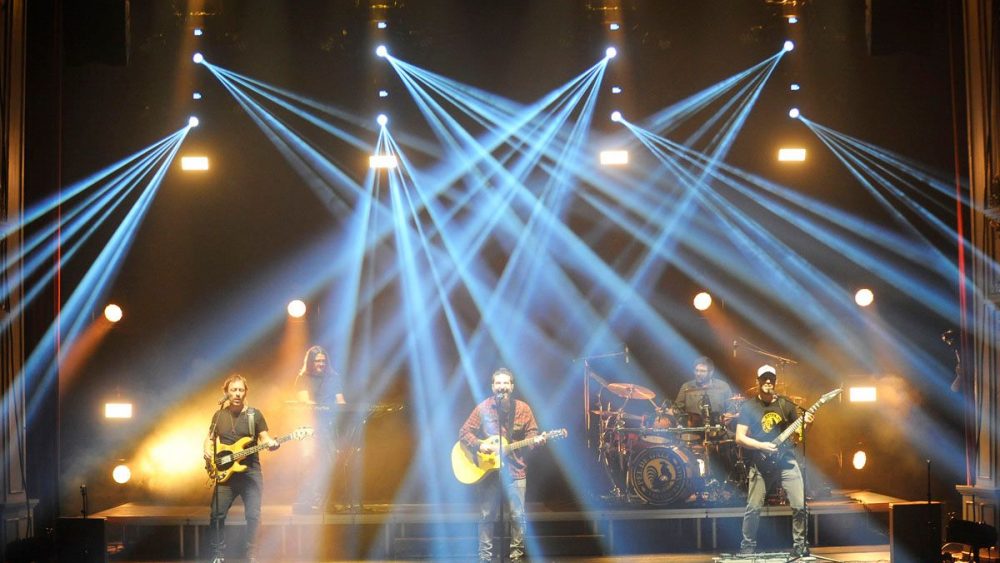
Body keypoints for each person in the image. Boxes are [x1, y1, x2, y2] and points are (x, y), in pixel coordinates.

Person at [459, 368, 545, 563]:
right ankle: (485, 557)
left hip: (516, 470)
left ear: (512, 387)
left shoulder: (523, 409)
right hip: (488, 472)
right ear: (492, 386)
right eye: (498, 383)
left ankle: (516, 557)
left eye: (506, 383)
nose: (502, 387)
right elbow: (464, 432)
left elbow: (533, 433)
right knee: (486, 514)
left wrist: (535, 440)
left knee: (517, 516)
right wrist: (481, 445)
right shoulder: (484, 407)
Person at [734, 365, 814, 557]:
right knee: (753, 508)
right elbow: (739, 437)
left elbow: (799, 435)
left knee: (799, 505)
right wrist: (761, 446)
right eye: (764, 379)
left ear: (775, 381)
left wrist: (808, 424)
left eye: (771, 379)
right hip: (761, 462)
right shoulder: (748, 406)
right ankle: (747, 547)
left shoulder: (786, 404)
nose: (768, 382)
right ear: (758, 381)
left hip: (786, 460)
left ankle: (800, 546)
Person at [203, 374, 279, 563]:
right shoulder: (219, 415)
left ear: (245, 392)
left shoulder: (255, 415)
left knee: (253, 516)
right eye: (233, 390)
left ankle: (251, 554)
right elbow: (209, 438)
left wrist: (271, 443)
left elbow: (264, 438)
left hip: (251, 473)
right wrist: (206, 451)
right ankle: (218, 554)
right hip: (225, 473)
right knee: (216, 515)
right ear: (226, 393)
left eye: (240, 390)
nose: (237, 393)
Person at [291, 345, 345, 513]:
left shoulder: (333, 378)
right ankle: (304, 501)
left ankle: (326, 502)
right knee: (309, 462)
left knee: (330, 462)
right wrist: (322, 406)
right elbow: (304, 402)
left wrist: (340, 409)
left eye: (323, 361)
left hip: (330, 426)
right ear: (311, 362)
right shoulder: (303, 378)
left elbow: (341, 401)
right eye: (317, 361)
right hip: (310, 426)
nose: (321, 364)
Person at [672, 356, 734, 427]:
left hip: (718, 429)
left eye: (702, 371)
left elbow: (731, 408)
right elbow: (676, 408)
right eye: (696, 370)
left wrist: (729, 415)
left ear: (711, 373)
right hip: (692, 430)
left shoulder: (723, 386)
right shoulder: (686, 387)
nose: (698, 374)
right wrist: (678, 419)